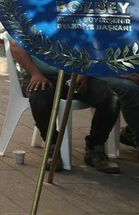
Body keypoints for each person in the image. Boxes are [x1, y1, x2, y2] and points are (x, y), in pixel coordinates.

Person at [10, 40, 121, 174]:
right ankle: (52, 147)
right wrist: (35, 73)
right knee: (40, 98)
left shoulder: (75, 19)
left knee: (110, 99)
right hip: (40, 74)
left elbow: (91, 42)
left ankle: (95, 148)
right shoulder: (31, 19)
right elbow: (15, 45)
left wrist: (84, 71)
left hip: (75, 74)